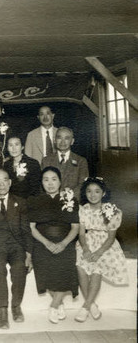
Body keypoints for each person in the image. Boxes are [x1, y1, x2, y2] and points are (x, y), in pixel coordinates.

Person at [27, 166, 79, 324]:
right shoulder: (35, 200)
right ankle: (60, 303)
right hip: (42, 241)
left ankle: (54, 305)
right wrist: (47, 242)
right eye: (46, 180)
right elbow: (32, 227)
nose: (50, 183)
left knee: (65, 267)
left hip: (66, 241)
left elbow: (75, 227)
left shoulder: (70, 199)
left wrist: (63, 243)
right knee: (44, 268)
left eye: (54, 179)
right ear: (41, 183)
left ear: (60, 181)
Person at [74, 177, 129, 322]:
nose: (93, 195)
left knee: (96, 269)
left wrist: (98, 253)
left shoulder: (111, 210)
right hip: (87, 241)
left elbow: (111, 237)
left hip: (105, 245)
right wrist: (85, 249)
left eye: (97, 191)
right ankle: (91, 304)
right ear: (85, 193)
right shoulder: (83, 210)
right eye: (89, 191)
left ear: (103, 193)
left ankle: (85, 307)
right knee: (80, 267)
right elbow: (81, 234)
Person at [0, 169, 32, 329]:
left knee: (19, 268)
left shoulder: (20, 202)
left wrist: (29, 252)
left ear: (10, 182)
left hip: (16, 244)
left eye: (5, 180)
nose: (2, 184)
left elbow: (26, 229)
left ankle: (16, 306)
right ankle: (2, 310)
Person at [41, 127, 89, 198]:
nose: (62, 142)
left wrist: (67, 198)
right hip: (51, 201)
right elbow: (42, 184)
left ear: (72, 141)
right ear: (55, 140)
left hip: (73, 202)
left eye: (66, 138)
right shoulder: (46, 160)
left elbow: (83, 185)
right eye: (59, 138)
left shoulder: (81, 161)